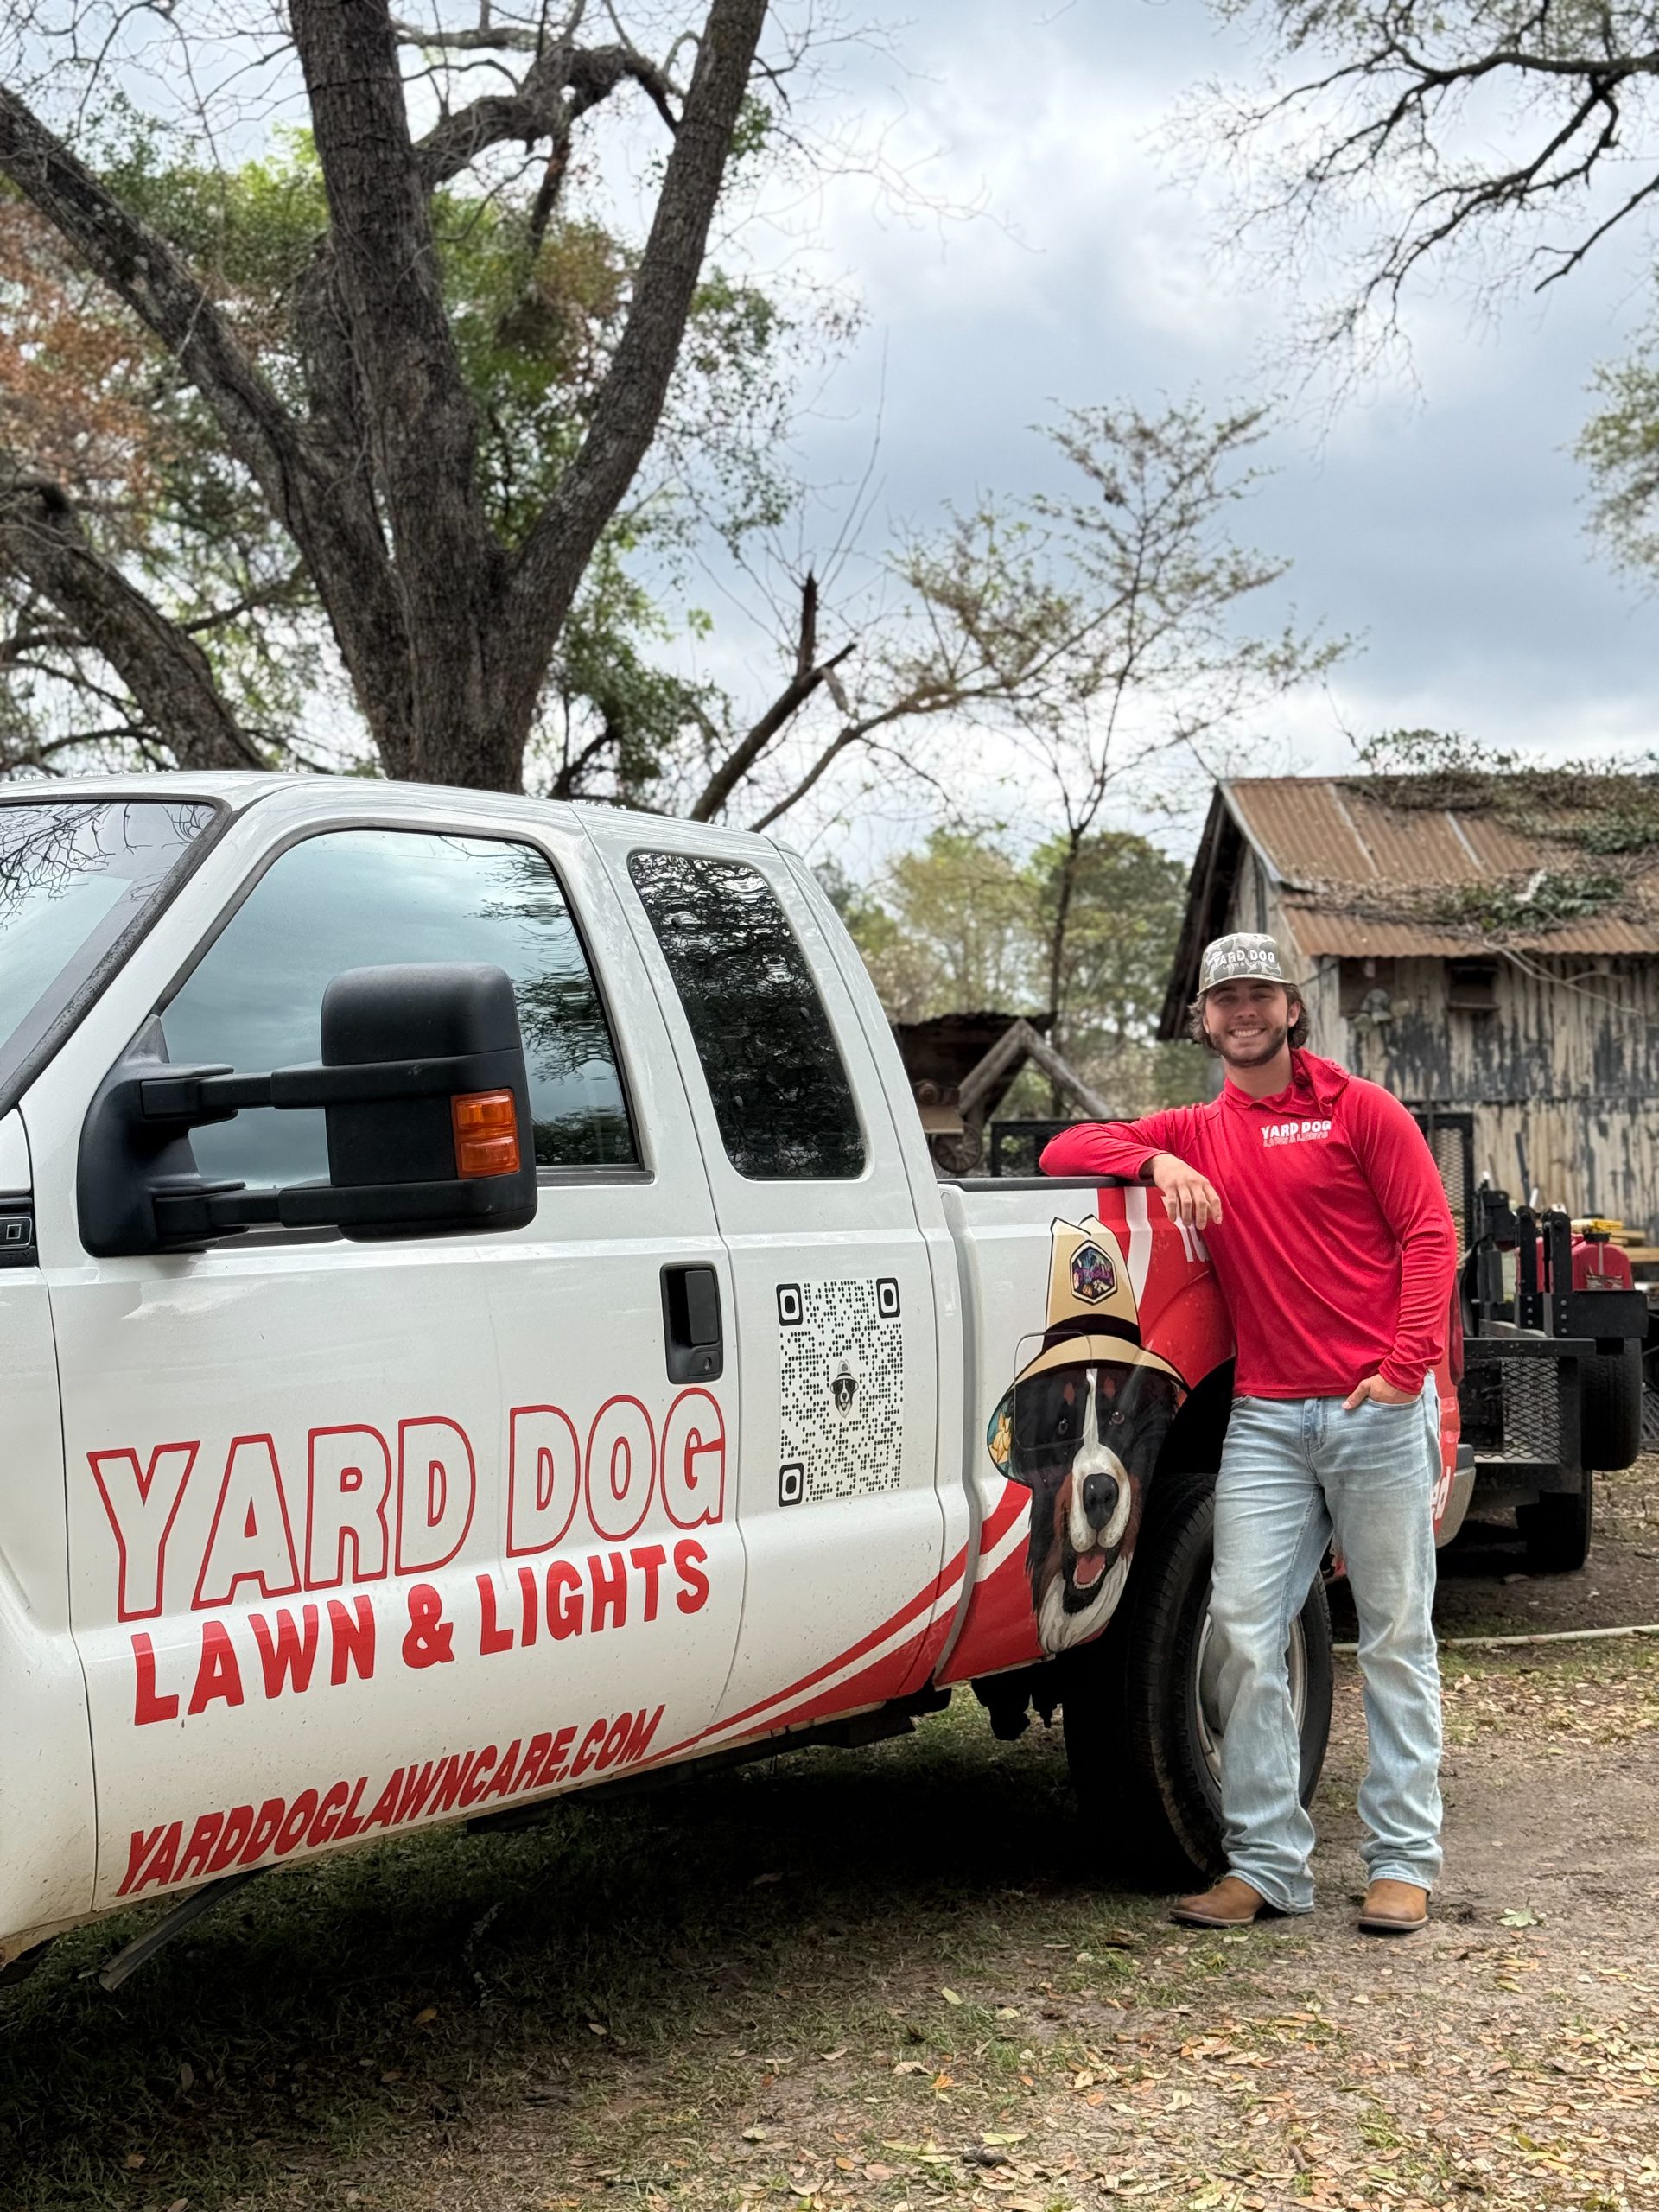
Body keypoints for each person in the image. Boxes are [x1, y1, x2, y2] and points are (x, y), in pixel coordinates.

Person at [1040, 931, 1458, 1936]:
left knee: (1395, 1635)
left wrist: (1404, 1371)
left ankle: (1403, 1859)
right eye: (1225, 998)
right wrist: (1154, 1158)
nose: (1243, 1012)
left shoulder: (1359, 1110)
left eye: (1260, 995)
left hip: (1372, 1409)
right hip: (1267, 1416)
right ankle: (1268, 1863)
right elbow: (1067, 1150)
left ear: (1291, 1006)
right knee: (1240, 1633)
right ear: (1204, 1019)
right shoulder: (1199, 1127)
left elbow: (1429, 1235)